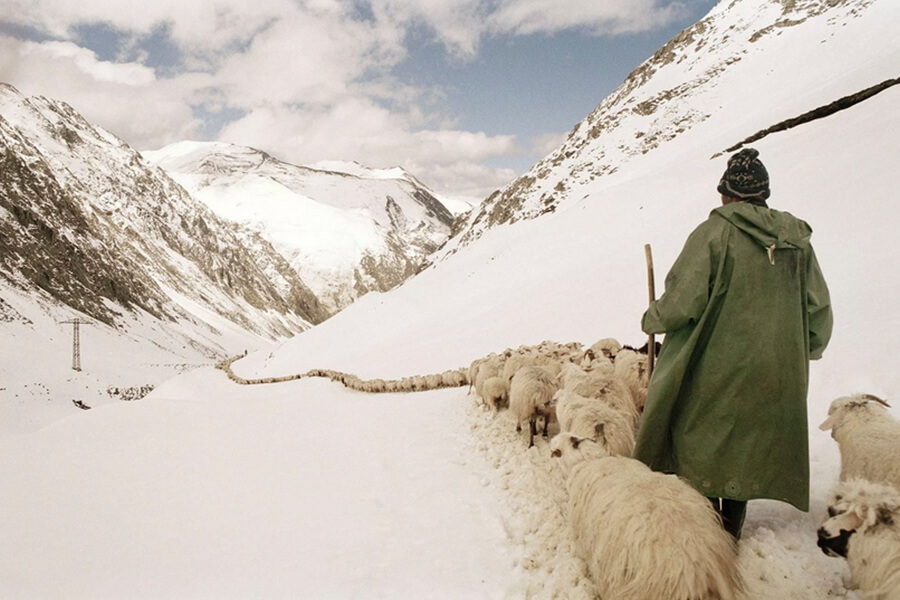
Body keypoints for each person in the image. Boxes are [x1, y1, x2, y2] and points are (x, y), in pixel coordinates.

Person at [633, 147, 833, 540]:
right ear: (764, 194)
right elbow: (818, 306)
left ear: (725, 194)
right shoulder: (796, 241)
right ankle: (732, 528)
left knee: (700, 440)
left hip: (719, 365)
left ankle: (711, 535)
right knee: (745, 445)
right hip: (777, 368)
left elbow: (682, 301)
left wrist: (651, 319)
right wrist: (802, 347)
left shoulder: (715, 233)